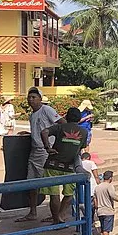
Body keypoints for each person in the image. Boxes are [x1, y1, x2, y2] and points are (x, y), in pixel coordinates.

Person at [17, 88, 64, 222]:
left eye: (34, 97)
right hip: (35, 151)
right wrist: (29, 134)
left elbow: (62, 123)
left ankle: (56, 215)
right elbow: (38, 130)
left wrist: (55, 144)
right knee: (31, 183)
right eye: (29, 97)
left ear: (40, 98)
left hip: (46, 152)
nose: (31, 100)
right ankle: (33, 212)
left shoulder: (47, 110)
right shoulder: (32, 115)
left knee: (51, 185)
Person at [38, 107, 86, 224]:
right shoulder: (84, 132)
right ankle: (60, 215)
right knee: (69, 194)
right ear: (79, 119)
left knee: (54, 194)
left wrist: (47, 148)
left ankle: (56, 219)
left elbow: (44, 132)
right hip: (70, 167)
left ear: (66, 117)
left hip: (53, 164)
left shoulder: (60, 127)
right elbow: (81, 149)